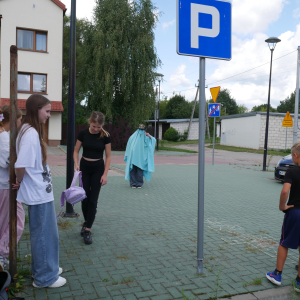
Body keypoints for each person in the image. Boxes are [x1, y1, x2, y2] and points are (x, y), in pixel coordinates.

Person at [15, 94, 66, 288]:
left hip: (40, 193)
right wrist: (20, 181)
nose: (49, 115)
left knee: (46, 234)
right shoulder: (30, 134)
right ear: (36, 109)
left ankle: (47, 268)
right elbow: (21, 166)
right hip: (38, 194)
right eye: (47, 111)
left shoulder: (29, 131)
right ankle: (45, 277)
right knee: (44, 235)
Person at [266, 142, 300, 292]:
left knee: (284, 242)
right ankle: (299, 282)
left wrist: (282, 206)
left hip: (294, 212)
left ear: (295, 155)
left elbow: (285, 191)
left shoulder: (292, 171)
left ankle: (277, 274)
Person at [73, 111, 111, 245]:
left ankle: (88, 229)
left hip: (98, 169)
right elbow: (76, 151)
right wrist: (76, 164)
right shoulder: (83, 133)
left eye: (99, 127)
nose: (96, 129)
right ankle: (86, 222)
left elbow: (108, 156)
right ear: (90, 122)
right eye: (94, 126)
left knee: (93, 200)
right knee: (84, 198)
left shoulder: (105, 136)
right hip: (84, 168)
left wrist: (105, 174)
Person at [0, 105, 25, 269]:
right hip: (4, 186)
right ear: (15, 119)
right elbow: (8, 161)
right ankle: (2, 253)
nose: (21, 122)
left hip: (2, 185)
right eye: (20, 119)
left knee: (3, 222)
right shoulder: (4, 137)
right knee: (18, 220)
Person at [124, 124, 156, 188]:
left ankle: (139, 183)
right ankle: (133, 183)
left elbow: (153, 140)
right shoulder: (133, 137)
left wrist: (149, 135)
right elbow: (129, 146)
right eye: (140, 129)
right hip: (133, 157)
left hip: (141, 158)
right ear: (138, 129)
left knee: (140, 171)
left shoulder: (146, 137)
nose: (141, 131)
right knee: (133, 170)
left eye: (142, 130)